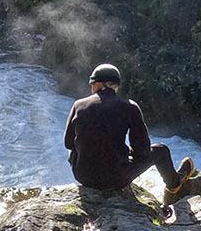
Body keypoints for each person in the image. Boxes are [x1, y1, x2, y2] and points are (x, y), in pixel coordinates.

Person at [64, 63, 194, 204]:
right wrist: (124, 154)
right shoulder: (130, 107)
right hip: (117, 179)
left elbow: (68, 143)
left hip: (84, 177)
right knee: (161, 150)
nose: (91, 89)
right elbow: (142, 150)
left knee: (75, 150)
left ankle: (93, 169)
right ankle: (174, 184)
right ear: (115, 86)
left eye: (92, 85)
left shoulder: (79, 105)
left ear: (97, 84)